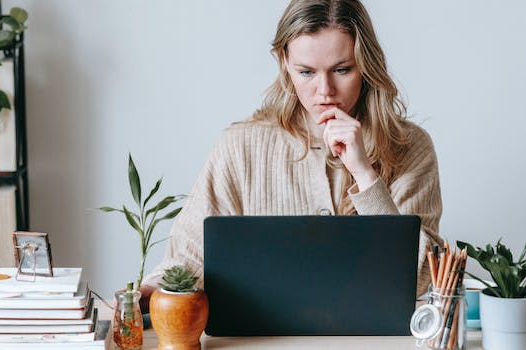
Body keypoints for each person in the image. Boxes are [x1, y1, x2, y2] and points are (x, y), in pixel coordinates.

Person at [140, 0, 442, 312]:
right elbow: (187, 258)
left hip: (373, 334)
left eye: (342, 70)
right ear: (285, 62)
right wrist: (139, 300)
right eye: (306, 72)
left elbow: (421, 277)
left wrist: (365, 175)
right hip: (260, 334)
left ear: (366, 65)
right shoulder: (241, 146)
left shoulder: (409, 146)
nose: (325, 90)